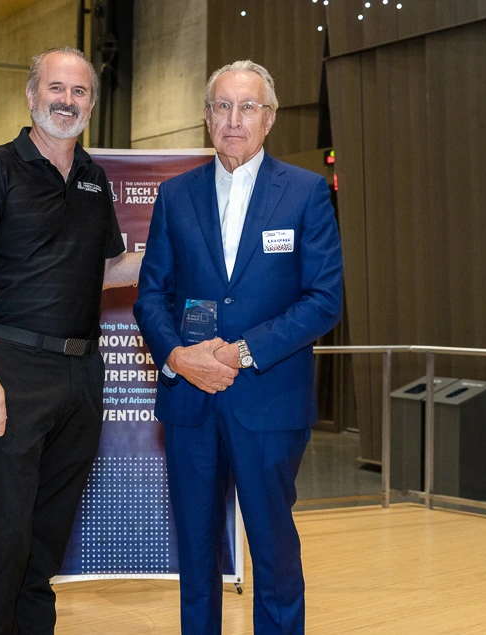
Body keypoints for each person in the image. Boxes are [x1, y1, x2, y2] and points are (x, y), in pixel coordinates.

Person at [133, 60, 343, 634]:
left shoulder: (304, 194)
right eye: (222, 106)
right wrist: (178, 356)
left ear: (269, 119)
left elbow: (324, 299)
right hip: (190, 402)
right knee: (195, 556)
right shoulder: (175, 196)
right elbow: (152, 296)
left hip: (267, 399)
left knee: (274, 555)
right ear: (206, 118)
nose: (233, 119)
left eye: (247, 107)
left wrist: (241, 352)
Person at [0, 47, 142, 635]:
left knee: (49, 535)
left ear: (91, 104)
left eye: (79, 92)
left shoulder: (93, 178)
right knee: (4, 534)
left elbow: (104, 270)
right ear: (32, 95)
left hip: (81, 377)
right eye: (56, 88)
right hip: (12, 371)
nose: (67, 100)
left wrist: (174, 253)